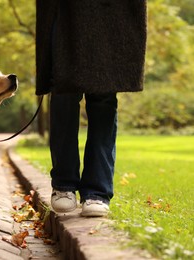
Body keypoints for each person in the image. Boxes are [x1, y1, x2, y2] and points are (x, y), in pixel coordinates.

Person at [36, 1, 147, 217]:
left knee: (103, 95)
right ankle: (64, 185)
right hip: (66, 12)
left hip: (112, 13)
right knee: (63, 92)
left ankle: (97, 192)